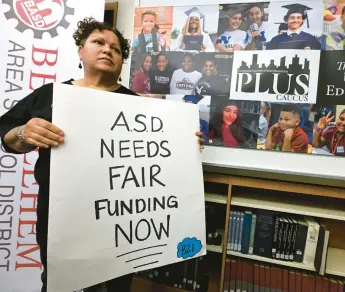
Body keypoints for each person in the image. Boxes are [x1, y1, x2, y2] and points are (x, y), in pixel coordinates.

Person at [0, 17, 205, 292]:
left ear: (122, 61)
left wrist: (184, 143)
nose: (107, 50)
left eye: (116, 48)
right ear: (81, 50)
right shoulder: (50, 95)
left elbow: (161, 164)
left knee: (117, 285)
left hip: (121, 221)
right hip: (61, 218)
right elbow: (6, 133)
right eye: (98, 42)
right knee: (59, 284)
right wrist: (23, 133)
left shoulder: (140, 108)